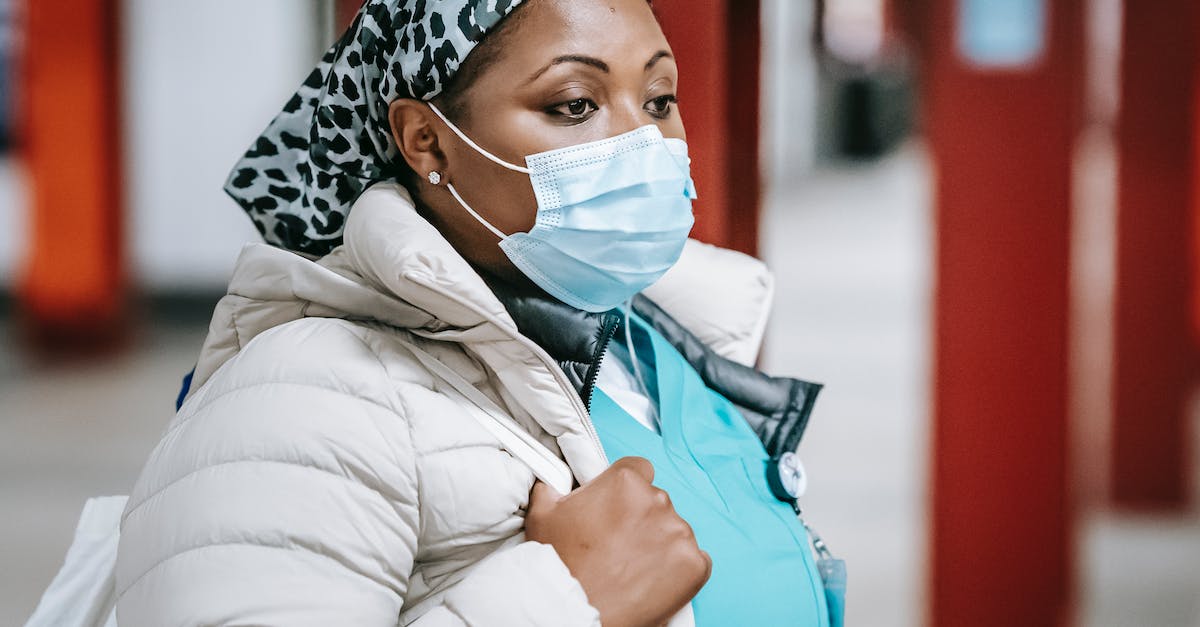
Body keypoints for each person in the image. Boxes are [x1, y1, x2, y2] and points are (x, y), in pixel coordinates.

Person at [114, 1, 837, 625]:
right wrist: (565, 601)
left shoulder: (653, 347)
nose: (644, 143)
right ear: (426, 143)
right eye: (575, 104)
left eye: (657, 100)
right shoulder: (303, 401)